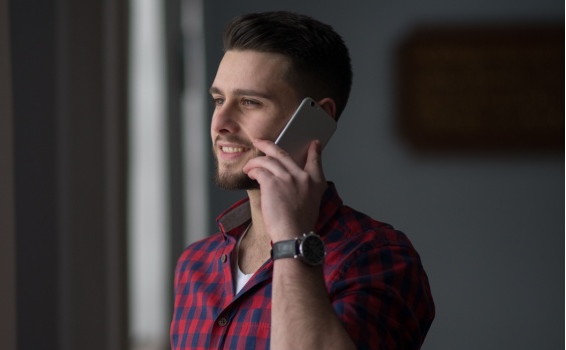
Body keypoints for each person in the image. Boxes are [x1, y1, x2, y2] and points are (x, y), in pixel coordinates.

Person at [170, 11, 435, 349]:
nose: (220, 122)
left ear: (317, 119)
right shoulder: (196, 265)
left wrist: (292, 240)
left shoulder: (378, 257)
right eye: (219, 100)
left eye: (249, 102)